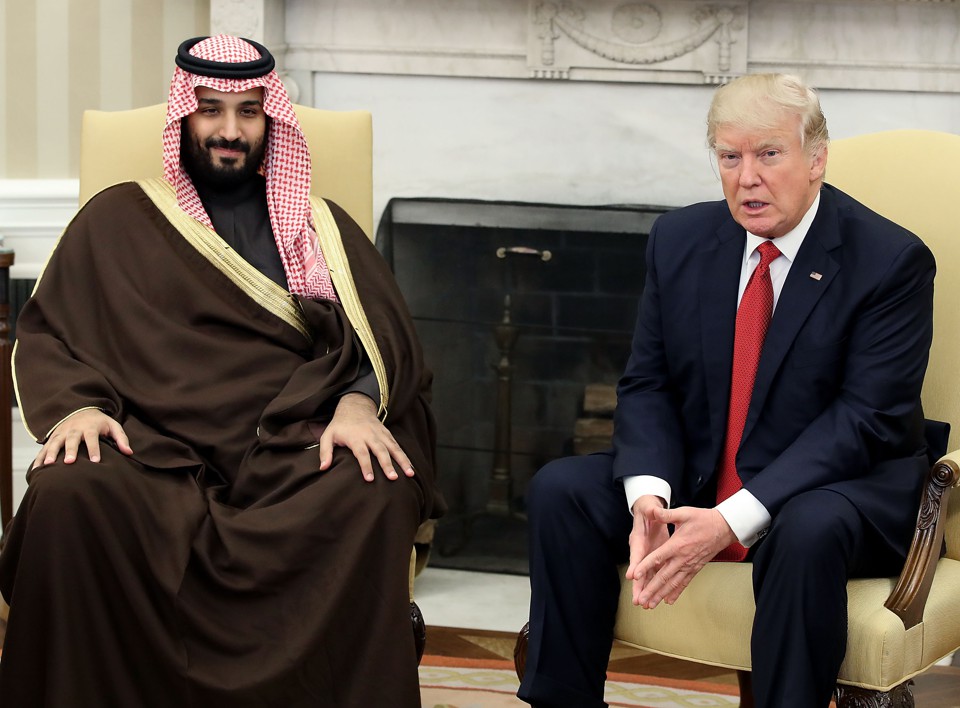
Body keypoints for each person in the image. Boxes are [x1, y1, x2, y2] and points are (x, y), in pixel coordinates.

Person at [0, 35, 443, 707]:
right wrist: (78, 407)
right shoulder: (119, 217)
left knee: (372, 485)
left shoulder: (318, 226)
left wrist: (355, 403)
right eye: (210, 110)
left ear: (273, 122)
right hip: (151, 448)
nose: (229, 131)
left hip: (288, 448)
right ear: (184, 116)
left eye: (248, 112)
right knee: (71, 493)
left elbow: (386, 341)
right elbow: (51, 332)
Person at [518, 73, 936, 707]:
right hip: (703, 474)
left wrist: (728, 520)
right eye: (729, 156)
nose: (747, 178)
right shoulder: (681, 240)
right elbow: (649, 381)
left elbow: (865, 421)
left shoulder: (890, 261)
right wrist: (649, 500)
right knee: (562, 490)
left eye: (769, 153)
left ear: (816, 157)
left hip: (840, 487)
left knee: (806, 528)